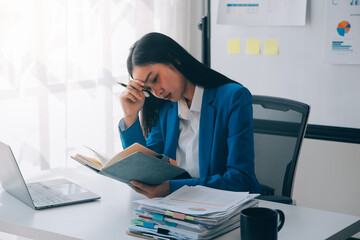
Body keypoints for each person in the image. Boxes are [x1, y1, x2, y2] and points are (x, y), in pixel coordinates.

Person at [118, 32, 261, 198]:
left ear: (174, 59)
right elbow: (145, 170)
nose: (157, 92)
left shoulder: (233, 97)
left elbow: (241, 179)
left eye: (155, 79)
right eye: (148, 89)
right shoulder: (166, 110)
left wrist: (173, 188)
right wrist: (131, 116)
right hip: (179, 207)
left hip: (223, 207)